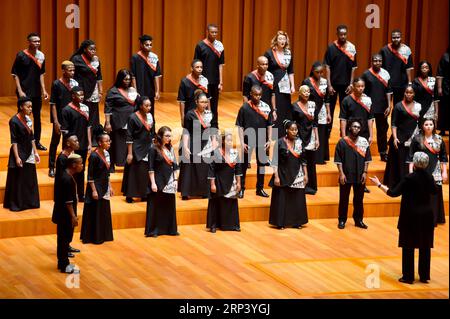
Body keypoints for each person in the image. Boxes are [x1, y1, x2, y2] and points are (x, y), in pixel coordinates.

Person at [369, 152, 437, 284]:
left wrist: (379, 184)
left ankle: (408, 276)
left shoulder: (409, 178)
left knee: (408, 246)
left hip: (410, 216)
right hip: (426, 216)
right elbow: (435, 191)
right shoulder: (429, 177)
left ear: (415, 163)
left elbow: (393, 193)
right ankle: (424, 276)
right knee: (425, 246)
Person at [11, 32, 49, 150]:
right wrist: (20, 90)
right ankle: (22, 141)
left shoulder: (41, 56)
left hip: (36, 91)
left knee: (37, 117)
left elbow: (41, 74)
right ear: (29, 42)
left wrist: (44, 90)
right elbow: (15, 74)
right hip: (24, 91)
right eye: (34, 41)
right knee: (22, 117)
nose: (37, 43)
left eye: (38, 41)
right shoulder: (21, 55)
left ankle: (37, 142)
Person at [407, 118, 448, 225]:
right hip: (420, 170)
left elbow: (443, 157)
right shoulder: (416, 139)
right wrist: (411, 172)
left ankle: (433, 220)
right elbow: (411, 157)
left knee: (434, 195)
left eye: (431, 124)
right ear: (422, 126)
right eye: (426, 124)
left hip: (435, 169)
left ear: (434, 126)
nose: (429, 126)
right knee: (420, 193)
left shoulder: (439, 139)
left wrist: (444, 172)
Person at [269, 120, 308, 229]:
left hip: (297, 173)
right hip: (283, 173)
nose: (294, 132)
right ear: (287, 130)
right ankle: (280, 223)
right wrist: (276, 176)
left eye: (296, 130)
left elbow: (303, 160)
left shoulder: (300, 143)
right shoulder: (280, 142)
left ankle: (297, 222)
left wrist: (306, 174)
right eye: (292, 130)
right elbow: (275, 161)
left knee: (297, 199)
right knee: (282, 199)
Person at [3, 96, 40, 211]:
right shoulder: (13, 121)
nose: (30, 109)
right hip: (19, 152)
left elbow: (32, 137)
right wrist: (17, 157)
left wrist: (35, 152)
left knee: (29, 177)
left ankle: (30, 202)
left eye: (31, 107)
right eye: (28, 106)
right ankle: (18, 204)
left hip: (29, 150)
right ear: (20, 107)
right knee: (18, 179)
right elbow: (14, 141)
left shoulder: (29, 119)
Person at [236, 85, 272, 198]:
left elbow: (269, 125)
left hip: (262, 139)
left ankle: (260, 188)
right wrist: (242, 142)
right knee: (243, 165)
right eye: (256, 95)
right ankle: (241, 188)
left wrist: (269, 139)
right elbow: (240, 126)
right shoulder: (244, 108)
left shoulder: (266, 107)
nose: (258, 97)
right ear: (251, 94)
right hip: (248, 139)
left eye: (260, 95)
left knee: (261, 165)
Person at [334, 118, 371, 229]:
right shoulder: (342, 142)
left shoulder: (364, 141)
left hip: (360, 175)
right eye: (354, 126)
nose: (356, 129)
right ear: (350, 127)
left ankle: (358, 220)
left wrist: (365, 172)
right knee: (344, 199)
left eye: (358, 127)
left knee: (359, 199)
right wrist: (341, 174)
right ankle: (342, 220)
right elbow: (338, 160)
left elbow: (367, 159)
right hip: (346, 175)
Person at [339, 78, 374, 193]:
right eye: (358, 86)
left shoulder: (367, 100)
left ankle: (362, 184)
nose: (361, 88)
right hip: (350, 135)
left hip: (363, 134)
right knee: (349, 160)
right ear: (353, 86)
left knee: (362, 159)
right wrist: (344, 135)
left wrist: (371, 135)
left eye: (362, 86)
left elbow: (370, 119)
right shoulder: (346, 100)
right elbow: (343, 119)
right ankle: (344, 180)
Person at [80, 126, 114, 244]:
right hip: (95, 187)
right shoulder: (94, 156)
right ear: (99, 143)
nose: (109, 143)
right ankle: (94, 236)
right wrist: (93, 190)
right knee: (95, 211)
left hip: (104, 185)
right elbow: (90, 176)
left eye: (109, 141)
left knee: (103, 210)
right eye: (106, 141)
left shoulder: (107, 154)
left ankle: (103, 234)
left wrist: (110, 186)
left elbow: (107, 172)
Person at [383, 86, 421, 189]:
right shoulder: (398, 106)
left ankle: (409, 183)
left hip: (413, 137)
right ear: (404, 93)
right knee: (399, 162)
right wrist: (395, 138)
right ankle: (397, 185)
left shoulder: (418, 106)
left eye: (411, 93)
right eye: (407, 92)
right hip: (400, 137)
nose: (409, 94)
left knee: (410, 161)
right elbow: (394, 123)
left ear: (414, 94)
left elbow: (420, 123)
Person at [178, 90, 213, 199]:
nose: (204, 104)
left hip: (206, 142)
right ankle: (186, 192)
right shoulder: (190, 114)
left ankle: (203, 191)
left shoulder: (209, 114)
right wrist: (185, 146)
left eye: (206, 102)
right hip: (192, 142)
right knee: (189, 168)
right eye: (202, 102)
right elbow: (186, 131)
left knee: (204, 167)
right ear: (196, 102)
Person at [324, 25, 357, 138]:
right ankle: (327, 132)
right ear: (337, 34)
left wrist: (351, 84)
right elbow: (327, 67)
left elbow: (353, 68)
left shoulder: (352, 48)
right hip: (333, 84)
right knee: (331, 109)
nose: (343, 36)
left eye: (345, 34)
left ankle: (345, 132)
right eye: (341, 34)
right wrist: (329, 85)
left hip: (346, 85)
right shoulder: (331, 47)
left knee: (346, 109)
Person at [145, 126, 180, 237]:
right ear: (160, 136)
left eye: (170, 136)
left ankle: (170, 229)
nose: (169, 138)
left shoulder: (170, 149)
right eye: (167, 136)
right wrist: (153, 183)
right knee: (156, 206)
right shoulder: (153, 149)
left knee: (169, 206)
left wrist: (175, 179)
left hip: (169, 180)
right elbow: (150, 168)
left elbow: (175, 166)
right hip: (158, 181)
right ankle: (154, 230)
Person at [52, 154, 83, 274]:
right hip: (65, 215)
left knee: (62, 239)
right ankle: (64, 265)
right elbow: (68, 202)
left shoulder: (66, 175)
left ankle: (62, 263)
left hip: (62, 213)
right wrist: (73, 217)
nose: (82, 166)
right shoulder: (67, 179)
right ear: (74, 165)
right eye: (80, 163)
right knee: (64, 239)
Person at [61, 86, 93, 202]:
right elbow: (65, 131)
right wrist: (70, 148)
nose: (81, 97)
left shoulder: (86, 108)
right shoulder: (66, 110)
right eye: (79, 95)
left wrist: (89, 143)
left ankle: (80, 194)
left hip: (83, 144)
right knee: (70, 171)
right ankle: (70, 195)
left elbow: (88, 127)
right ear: (73, 96)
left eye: (83, 95)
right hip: (72, 147)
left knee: (81, 170)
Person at [48, 61, 79, 177]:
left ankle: (64, 166)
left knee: (67, 144)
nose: (72, 72)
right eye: (70, 70)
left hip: (70, 118)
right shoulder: (56, 84)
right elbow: (53, 104)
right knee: (54, 142)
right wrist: (55, 121)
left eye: (73, 70)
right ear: (64, 70)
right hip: (59, 119)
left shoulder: (75, 83)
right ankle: (51, 166)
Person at [207, 132, 242, 233]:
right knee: (215, 202)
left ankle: (233, 225)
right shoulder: (215, 152)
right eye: (228, 140)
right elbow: (211, 169)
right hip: (218, 181)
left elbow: (238, 169)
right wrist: (212, 184)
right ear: (222, 141)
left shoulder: (234, 153)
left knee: (231, 203)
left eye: (231, 140)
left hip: (231, 181)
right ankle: (213, 225)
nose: (230, 142)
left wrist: (239, 183)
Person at [122, 96, 154, 203]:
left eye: (150, 105)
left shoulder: (150, 116)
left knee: (144, 171)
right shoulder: (133, 117)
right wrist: (130, 154)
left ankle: (144, 194)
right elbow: (129, 136)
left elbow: (151, 133)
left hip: (147, 146)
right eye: (146, 105)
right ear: (140, 106)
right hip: (135, 148)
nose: (149, 107)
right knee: (133, 172)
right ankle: (130, 195)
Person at [361, 54, 393, 162]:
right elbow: (362, 91)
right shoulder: (366, 74)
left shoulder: (385, 74)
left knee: (382, 130)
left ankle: (383, 153)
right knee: (365, 130)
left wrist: (389, 105)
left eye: (379, 61)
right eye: (375, 61)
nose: (377, 63)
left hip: (382, 107)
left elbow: (389, 91)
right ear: (372, 61)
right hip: (368, 106)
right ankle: (363, 151)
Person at [104, 69, 137, 171]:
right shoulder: (113, 91)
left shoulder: (132, 90)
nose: (127, 81)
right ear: (120, 79)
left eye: (129, 79)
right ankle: (111, 165)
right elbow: (108, 109)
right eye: (125, 79)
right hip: (117, 121)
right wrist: (108, 123)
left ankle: (128, 164)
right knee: (114, 144)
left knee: (129, 142)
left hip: (130, 121)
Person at [264, 31, 295, 138]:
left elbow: (291, 70)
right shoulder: (269, 53)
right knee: (275, 106)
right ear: (276, 40)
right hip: (273, 83)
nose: (282, 41)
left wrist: (293, 85)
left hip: (285, 85)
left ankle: (283, 132)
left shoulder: (288, 53)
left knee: (284, 107)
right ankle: (272, 133)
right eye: (280, 39)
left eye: (284, 39)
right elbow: (264, 70)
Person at [193, 24, 224, 129]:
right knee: (202, 104)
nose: (214, 34)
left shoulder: (220, 46)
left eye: (216, 32)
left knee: (214, 105)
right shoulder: (200, 45)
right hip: (203, 81)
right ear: (207, 32)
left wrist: (221, 81)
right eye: (212, 32)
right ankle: (202, 126)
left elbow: (221, 65)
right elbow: (196, 64)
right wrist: (197, 79)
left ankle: (214, 126)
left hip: (215, 81)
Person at [292, 85, 319, 195]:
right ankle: (300, 183)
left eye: (308, 91)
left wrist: (317, 139)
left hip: (311, 136)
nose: (307, 93)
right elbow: (291, 123)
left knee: (311, 161)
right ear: (299, 94)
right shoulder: (294, 106)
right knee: (300, 161)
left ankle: (311, 186)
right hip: (299, 136)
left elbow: (315, 123)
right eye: (304, 92)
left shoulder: (313, 105)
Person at [302, 61, 331, 165]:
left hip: (322, 109)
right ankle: (311, 156)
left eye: (321, 72)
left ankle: (320, 157)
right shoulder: (307, 81)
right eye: (317, 72)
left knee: (322, 132)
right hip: (310, 108)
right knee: (312, 131)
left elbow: (327, 98)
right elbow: (303, 98)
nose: (319, 74)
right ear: (312, 71)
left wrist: (328, 113)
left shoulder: (324, 81)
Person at [70, 39, 103, 126]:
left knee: (94, 113)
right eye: (91, 49)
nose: (93, 51)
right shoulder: (76, 59)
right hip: (81, 89)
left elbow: (99, 76)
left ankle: (93, 136)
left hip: (93, 89)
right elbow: (71, 74)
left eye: (94, 49)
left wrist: (101, 91)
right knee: (83, 111)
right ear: (84, 49)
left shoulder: (96, 60)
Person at [131, 34, 162, 124]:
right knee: (138, 111)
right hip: (139, 90)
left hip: (150, 90)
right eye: (146, 45)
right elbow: (133, 76)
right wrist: (135, 91)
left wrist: (157, 91)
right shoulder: (135, 57)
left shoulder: (154, 57)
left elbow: (157, 75)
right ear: (141, 45)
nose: (149, 47)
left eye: (150, 45)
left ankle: (151, 132)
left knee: (150, 112)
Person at [380, 29, 414, 105]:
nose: (396, 39)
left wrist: (409, 82)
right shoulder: (384, 50)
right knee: (385, 105)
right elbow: (380, 67)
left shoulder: (406, 50)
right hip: (387, 82)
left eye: (398, 37)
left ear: (401, 38)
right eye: (394, 37)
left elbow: (408, 68)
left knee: (398, 106)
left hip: (401, 83)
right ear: (391, 38)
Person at [177, 59, 211, 127]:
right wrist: (182, 117)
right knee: (191, 135)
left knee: (201, 135)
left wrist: (209, 113)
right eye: (197, 67)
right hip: (190, 114)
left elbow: (208, 98)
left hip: (202, 114)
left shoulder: (204, 80)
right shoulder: (185, 81)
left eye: (201, 67)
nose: (200, 69)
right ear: (192, 68)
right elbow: (182, 101)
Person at [436, 48, 449, 136]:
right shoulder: (445, 56)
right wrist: (439, 87)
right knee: (444, 108)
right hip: (446, 85)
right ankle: (443, 129)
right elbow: (440, 73)